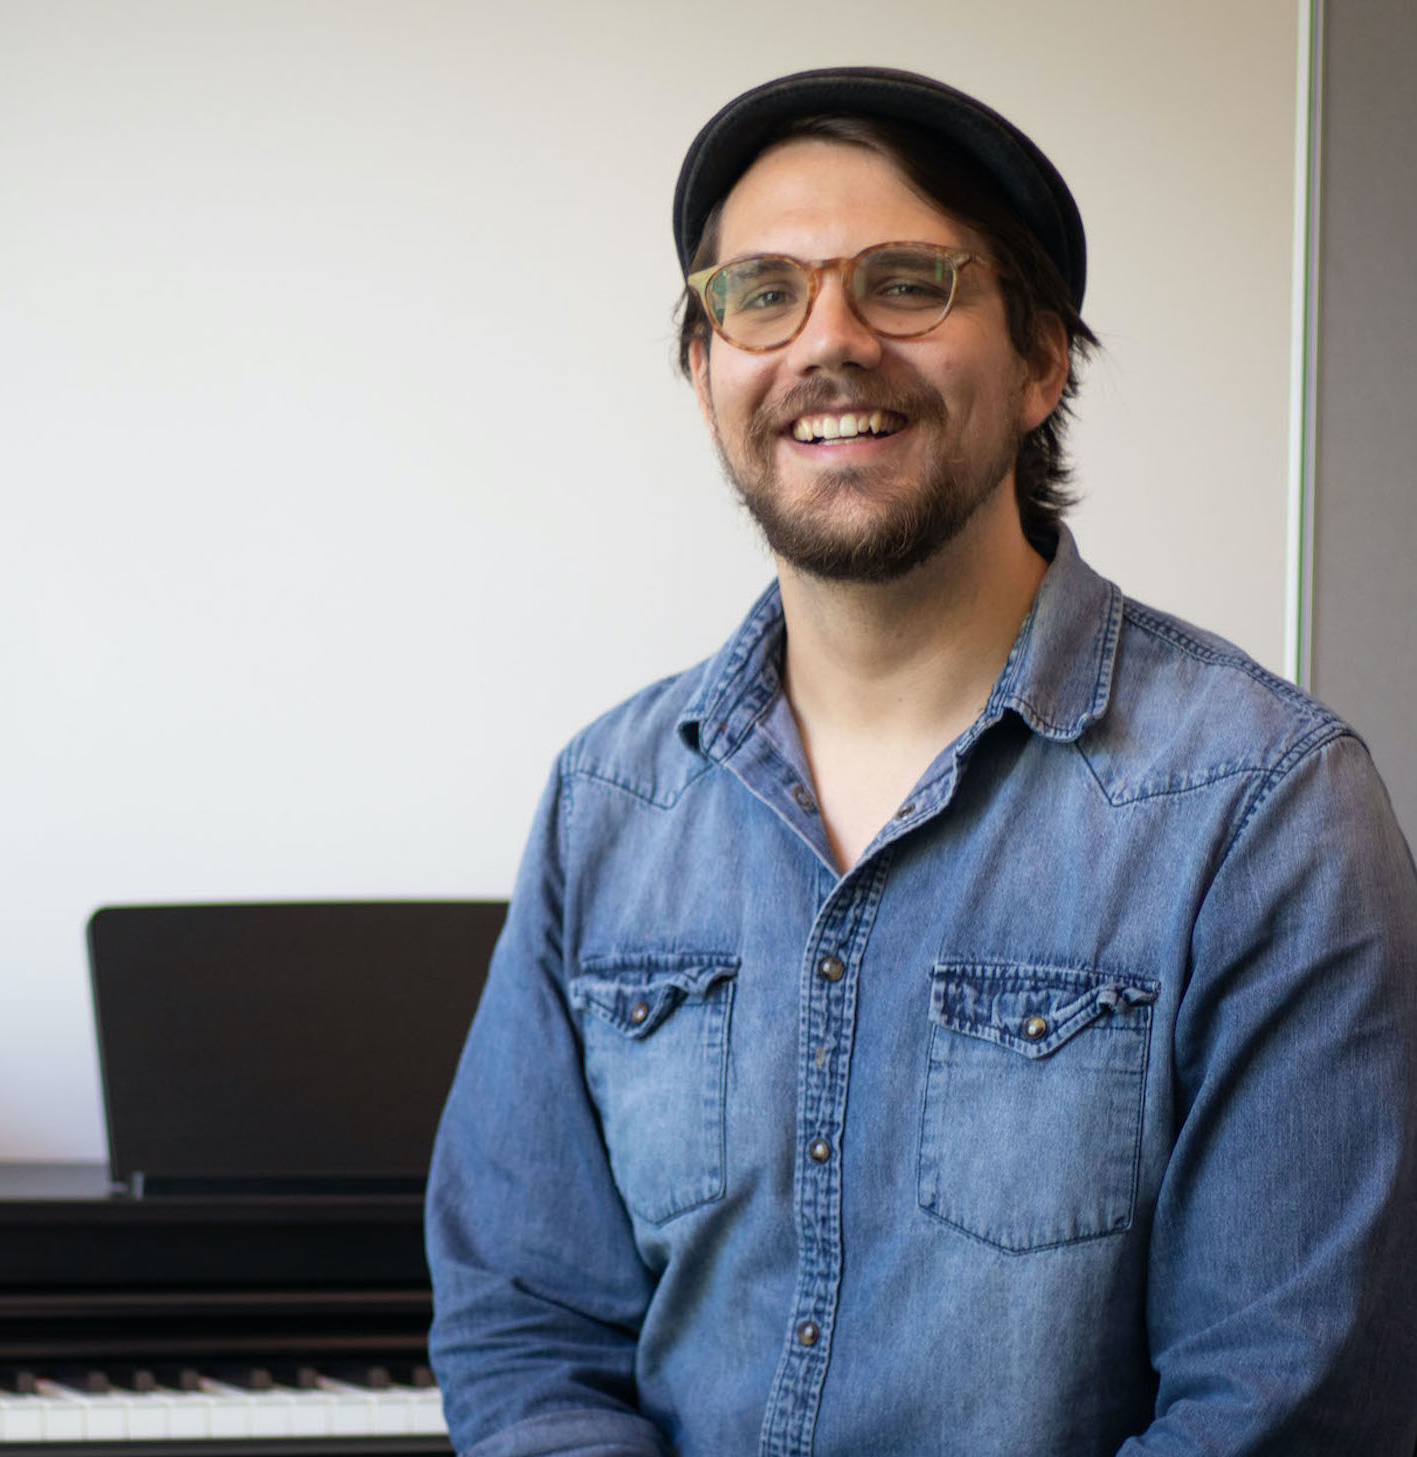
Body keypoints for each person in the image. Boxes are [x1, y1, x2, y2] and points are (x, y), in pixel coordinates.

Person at [425, 66, 1417, 1457]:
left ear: (1041, 362)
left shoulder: (1266, 808)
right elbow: (525, 1331)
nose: (828, 342)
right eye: (762, 293)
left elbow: (1286, 1405)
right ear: (707, 369)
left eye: (905, 281)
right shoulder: (611, 801)